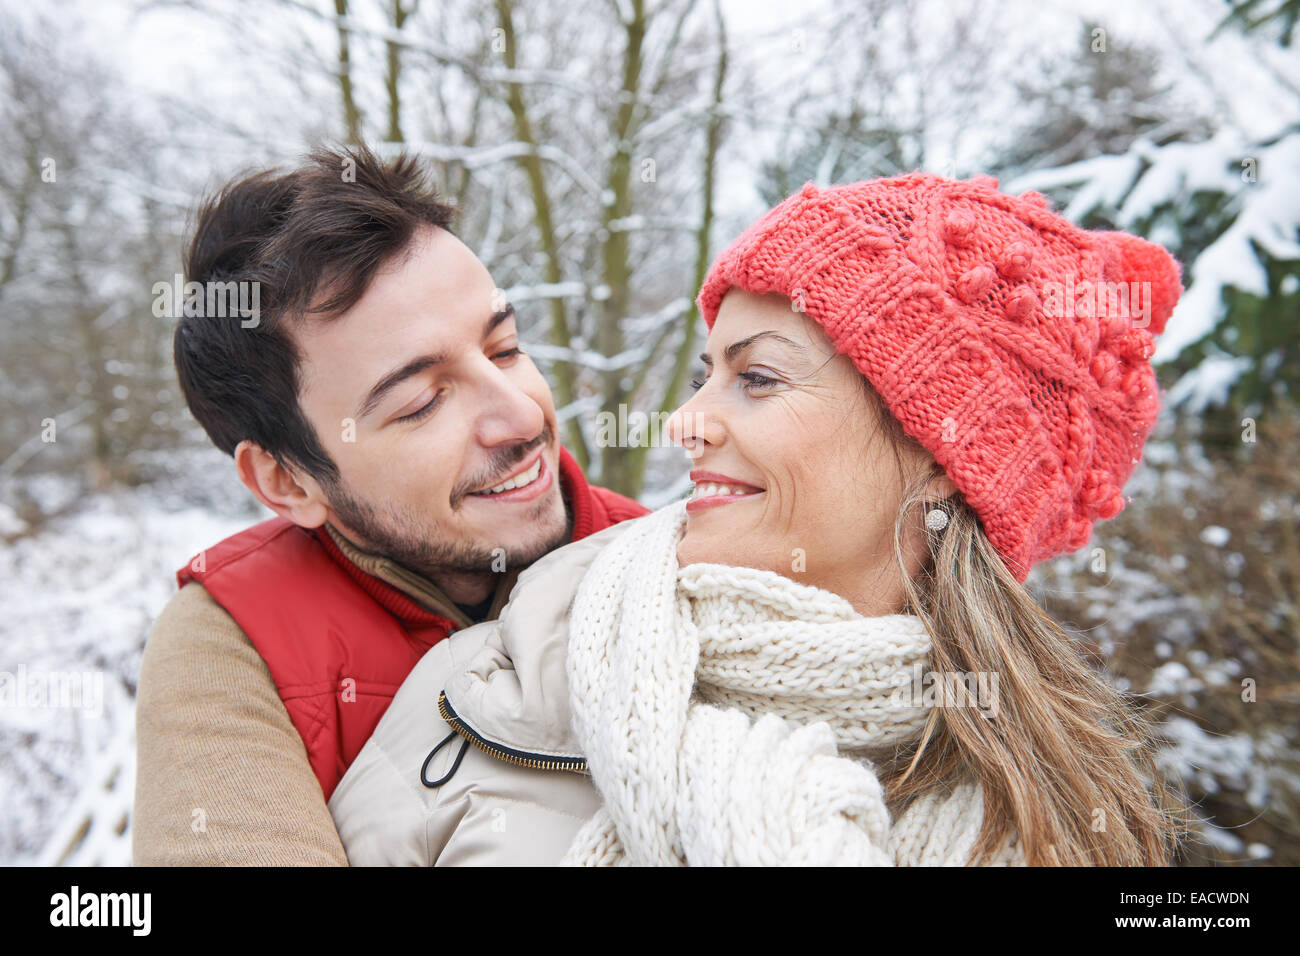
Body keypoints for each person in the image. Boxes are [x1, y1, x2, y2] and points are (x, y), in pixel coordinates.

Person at [327, 173, 1192, 865]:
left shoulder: (1059, 825)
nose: (685, 422)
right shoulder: (502, 672)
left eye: (759, 378)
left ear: (941, 452)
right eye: (708, 372)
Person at [132, 145, 647, 865]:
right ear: (287, 481)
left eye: (504, 350)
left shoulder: (675, 562)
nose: (522, 419)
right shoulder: (236, 640)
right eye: (421, 402)